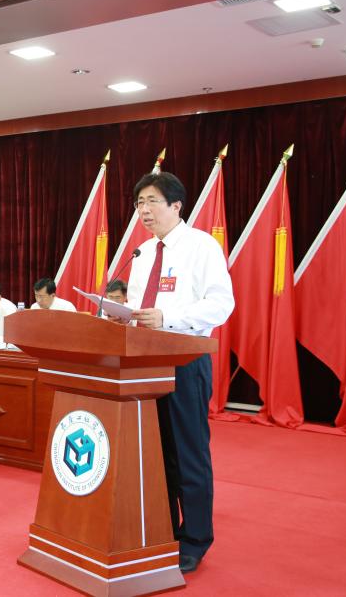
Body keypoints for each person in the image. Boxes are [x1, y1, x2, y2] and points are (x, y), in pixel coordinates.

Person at [126, 171, 234, 575]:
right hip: (144, 363)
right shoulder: (142, 252)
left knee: (188, 453)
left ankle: (195, 539)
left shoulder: (201, 246)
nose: (144, 210)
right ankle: (164, 529)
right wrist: (125, 317)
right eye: (139, 203)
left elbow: (221, 305)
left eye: (152, 201)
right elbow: (138, 307)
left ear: (176, 205)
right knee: (156, 453)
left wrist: (166, 317)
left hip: (185, 360)